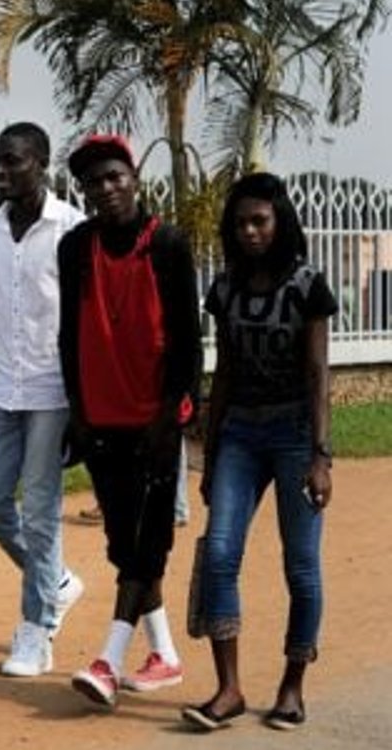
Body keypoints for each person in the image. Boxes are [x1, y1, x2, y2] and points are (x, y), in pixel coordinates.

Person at [183, 172, 335, 733]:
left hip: (296, 433)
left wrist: (320, 456)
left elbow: (318, 373)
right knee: (220, 552)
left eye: (260, 221)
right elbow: (222, 370)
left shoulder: (307, 285)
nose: (250, 231)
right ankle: (229, 689)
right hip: (241, 435)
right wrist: (212, 442)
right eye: (241, 222)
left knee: (302, 566)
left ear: (280, 222)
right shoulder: (224, 289)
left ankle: (293, 685)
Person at [57, 135, 200, 707]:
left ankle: (108, 659)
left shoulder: (167, 243)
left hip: (155, 421)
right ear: (85, 192)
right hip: (100, 418)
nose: (107, 189)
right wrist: (78, 412)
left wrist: (171, 419)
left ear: (135, 178)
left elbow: (188, 341)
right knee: (125, 545)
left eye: (115, 176)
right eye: (95, 182)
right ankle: (163, 654)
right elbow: (68, 334)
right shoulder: (75, 248)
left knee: (148, 544)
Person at [0, 122, 87, 677]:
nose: (3, 172)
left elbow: (84, 325)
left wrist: (83, 408)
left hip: (54, 392)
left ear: (42, 163)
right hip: (4, 390)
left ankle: (35, 630)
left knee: (40, 513)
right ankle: (55, 580)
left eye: (13, 162)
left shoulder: (73, 230)